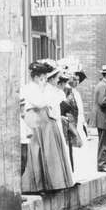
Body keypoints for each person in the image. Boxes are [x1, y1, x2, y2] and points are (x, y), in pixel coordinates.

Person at [20, 60, 76, 193]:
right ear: (35, 77)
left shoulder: (42, 89)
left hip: (43, 120)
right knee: (35, 151)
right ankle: (34, 186)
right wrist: (48, 97)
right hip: (34, 119)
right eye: (42, 78)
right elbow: (39, 103)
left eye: (45, 77)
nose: (44, 80)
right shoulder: (29, 88)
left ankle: (48, 183)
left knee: (46, 152)